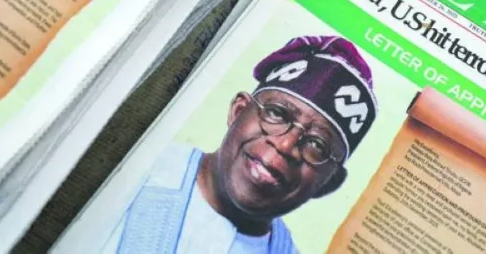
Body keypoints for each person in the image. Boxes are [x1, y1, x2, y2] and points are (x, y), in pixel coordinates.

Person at [112, 36, 379, 254]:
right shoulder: (128, 168)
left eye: (317, 145)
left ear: (329, 184)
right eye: (277, 113)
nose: (285, 145)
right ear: (238, 111)